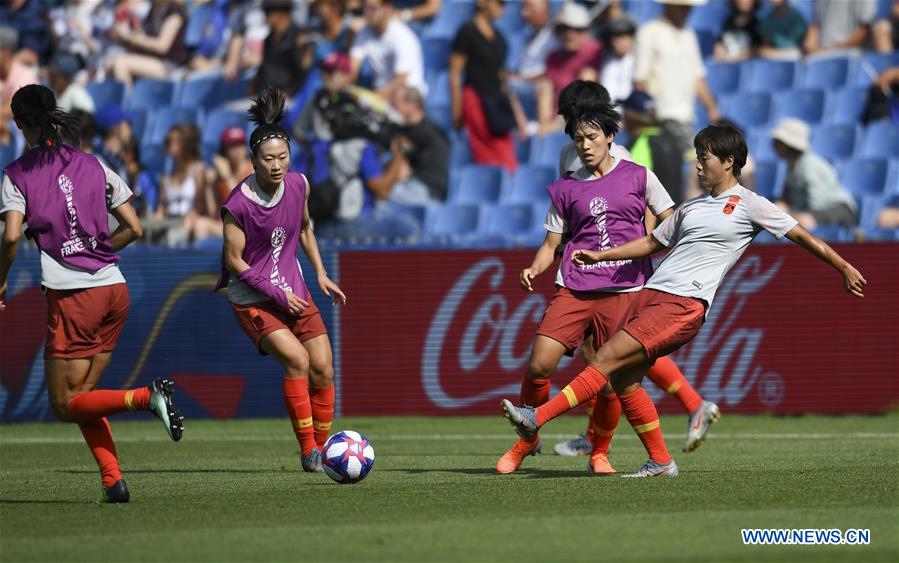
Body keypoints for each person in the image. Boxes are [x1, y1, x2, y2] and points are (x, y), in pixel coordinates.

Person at [502, 123, 866, 477]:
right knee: (625, 382)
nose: (696, 165)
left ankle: (538, 417)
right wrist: (601, 256)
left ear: (728, 161)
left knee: (606, 358)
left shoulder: (750, 205)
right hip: (652, 297)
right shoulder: (691, 207)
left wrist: (844, 266)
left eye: (703, 158)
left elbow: (802, 236)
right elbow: (652, 243)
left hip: (685, 303)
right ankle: (660, 462)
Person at [498, 84, 717, 474]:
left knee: (613, 376)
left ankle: (601, 451)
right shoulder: (567, 177)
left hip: (625, 286)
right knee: (540, 364)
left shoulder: (633, 170)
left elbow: (665, 221)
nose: (582, 142)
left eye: (589, 134)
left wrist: (654, 249)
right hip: (576, 284)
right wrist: (536, 266)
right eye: (576, 134)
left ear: (608, 134)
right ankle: (530, 436)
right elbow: (553, 239)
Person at [0, 84, 183, 502]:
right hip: (114, 291)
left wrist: (1, 277)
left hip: (74, 297)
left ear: (19, 123)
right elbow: (134, 228)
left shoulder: (17, 174)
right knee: (84, 399)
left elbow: (11, 237)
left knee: (65, 404)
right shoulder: (95, 163)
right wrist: (94, 249)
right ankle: (113, 481)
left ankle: (145, 397)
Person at [215, 88, 345, 473]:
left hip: (295, 289)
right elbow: (234, 261)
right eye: (268, 159)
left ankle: (324, 451)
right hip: (253, 298)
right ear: (253, 160)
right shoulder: (238, 204)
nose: (277, 165)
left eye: (282, 157)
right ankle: (308, 451)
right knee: (298, 360)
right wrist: (276, 292)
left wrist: (320, 273)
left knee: (324, 367)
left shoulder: (299, 185)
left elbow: (305, 229)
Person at [633, 0, 720, 162]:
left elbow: (698, 78)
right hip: (660, 117)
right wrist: (647, 114)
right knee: (696, 162)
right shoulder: (649, 32)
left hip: (685, 118)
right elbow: (640, 80)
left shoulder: (688, 34)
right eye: (682, 6)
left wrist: (712, 109)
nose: (687, 11)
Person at [450, 0, 520, 172]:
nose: (502, 7)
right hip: (476, 101)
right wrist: (457, 112)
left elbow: (502, 77)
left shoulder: (499, 37)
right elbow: (454, 73)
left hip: (497, 104)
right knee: (487, 157)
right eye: (499, 3)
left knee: (508, 158)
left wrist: (517, 112)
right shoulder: (467, 32)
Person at [770, 118, 857, 230]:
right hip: (813, 212)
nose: (773, 145)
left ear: (788, 145)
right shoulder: (791, 166)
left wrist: (790, 214)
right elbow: (785, 200)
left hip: (839, 211)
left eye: (778, 142)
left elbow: (817, 206)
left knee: (803, 221)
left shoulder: (810, 165)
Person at [536, 2, 602, 135]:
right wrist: (545, 124)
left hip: (583, 122)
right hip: (556, 122)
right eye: (565, 29)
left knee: (587, 79)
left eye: (577, 29)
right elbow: (546, 91)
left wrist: (558, 124)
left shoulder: (595, 51)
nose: (570, 34)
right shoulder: (553, 58)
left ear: (585, 31)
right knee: (543, 85)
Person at [350, 0, 427, 101]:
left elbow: (400, 82)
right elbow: (352, 69)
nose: (368, 13)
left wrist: (371, 99)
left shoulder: (403, 37)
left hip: (409, 97)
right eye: (366, 8)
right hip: (382, 96)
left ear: (387, 9)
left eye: (373, 8)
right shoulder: (364, 32)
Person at [390, 85, 450, 205]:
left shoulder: (428, 133)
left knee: (380, 193)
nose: (393, 106)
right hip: (413, 185)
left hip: (428, 191)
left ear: (413, 104)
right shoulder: (405, 130)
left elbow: (404, 171)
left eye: (397, 102)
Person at [153, 124, 213, 244]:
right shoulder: (166, 178)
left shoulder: (199, 171)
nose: (171, 145)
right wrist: (157, 218)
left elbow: (202, 207)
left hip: (189, 221)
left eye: (176, 141)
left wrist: (191, 216)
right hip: (169, 220)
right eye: (169, 141)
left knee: (176, 235)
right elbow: (161, 207)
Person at [106, 0, 188, 85]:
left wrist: (128, 36)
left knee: (121, 63)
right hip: (153, 59)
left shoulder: (174, 11)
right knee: (112, 62)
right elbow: (143, 37)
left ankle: (128, 98)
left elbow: (162, 46)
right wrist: (121, 34)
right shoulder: (154, 9)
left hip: (170, 63)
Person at [803, 0, 876, 56]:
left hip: (852, 54)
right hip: (822, 53)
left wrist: (829, 51)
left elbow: (864, 32)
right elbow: (815, 26)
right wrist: (810, 50)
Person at [598, 17, 637, 105]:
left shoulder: (638, 61)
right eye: (614, 38)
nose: (617, 42)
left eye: (622, 38)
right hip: (605, 111)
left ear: (631, 39)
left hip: (631, 113)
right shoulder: (605, 59)